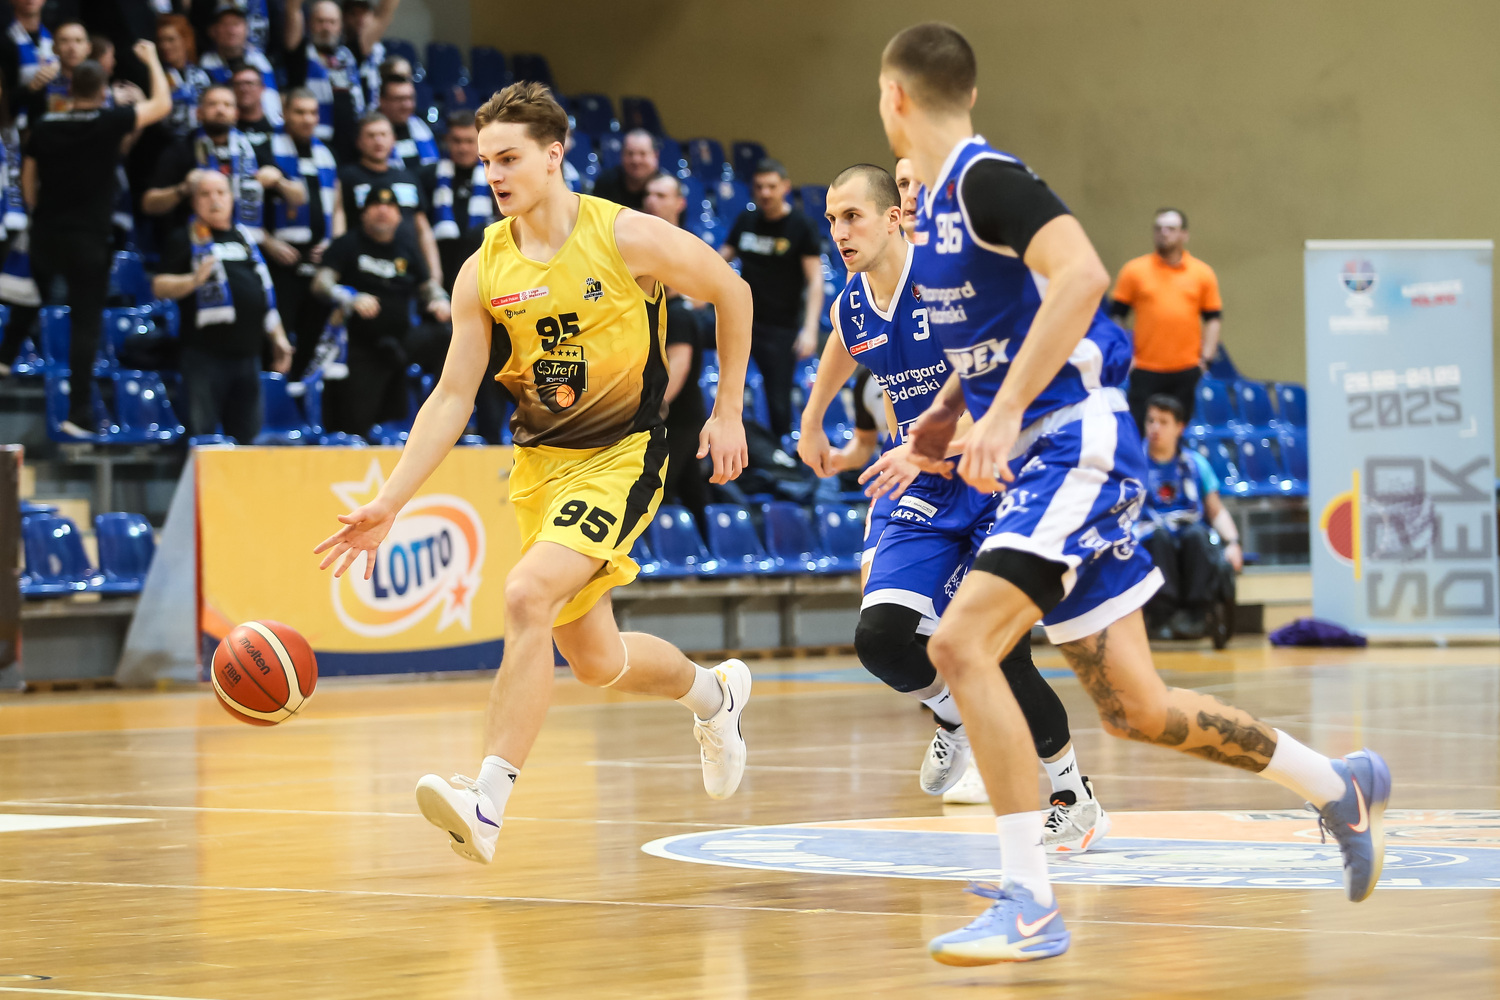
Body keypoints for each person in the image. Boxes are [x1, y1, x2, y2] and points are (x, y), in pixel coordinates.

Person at [875, 23, 1390, 966]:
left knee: (958, 644)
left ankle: (1031, 902)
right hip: (1046, 454)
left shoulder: (985, 180)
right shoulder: (937, 216)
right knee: (1136, 710)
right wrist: (945, 419)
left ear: (894, 98)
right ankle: (1337, 784)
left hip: (1073, 444)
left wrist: (1004, 413)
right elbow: (992, 345)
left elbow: (1081, 276)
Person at [313, 82, 752, 866]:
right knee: (596, 661)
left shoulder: (625, 236)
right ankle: (714, 696)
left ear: (554, 156)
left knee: (525, 595)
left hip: (622, 455)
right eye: (486, 161)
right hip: (540, 468)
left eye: (509, 158)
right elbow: (453, 395)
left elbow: (732, 289)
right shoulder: (484, 266)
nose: (494, 174)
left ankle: (485, 802)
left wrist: (727, 411)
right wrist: (390, 500)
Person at [800, 161, 1108, 850]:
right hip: (918, 484)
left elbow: (994, 394)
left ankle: (1073, 794)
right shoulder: (853, 301)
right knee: (881, 639)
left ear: (892, 218)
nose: (839, 232)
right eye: (831, 220)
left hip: (989, 477)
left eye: (852, 217)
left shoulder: (947, 288)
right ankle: (951, 716)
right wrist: (814, 416)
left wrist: (929, 448)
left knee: (999, 654)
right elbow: (844, 341)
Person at [21, 45, 171, 436]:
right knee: (85, 326)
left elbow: (28, 182)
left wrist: (38, 213)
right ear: (104, 90)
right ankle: (78, 415)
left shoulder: (46, 124)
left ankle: (7, 358)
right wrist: (152, 61)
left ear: (70, 88)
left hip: (46, 233)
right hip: (89, 240)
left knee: (24, 302)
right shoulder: (110, 120)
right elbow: (162, 105)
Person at [152, 170, 292, 441]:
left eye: (220, 193)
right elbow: (159, 286)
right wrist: (193, 280)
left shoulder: (244, 238)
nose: (214, 200)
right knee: (202, 438)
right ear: (194, 202)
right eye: (205, 194)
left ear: (231, 198)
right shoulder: (185, 238)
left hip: (248, 356)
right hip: (204, 356)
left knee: (246, 442)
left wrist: (279, 338)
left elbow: (263, 293)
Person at [310, 180, 449, 434]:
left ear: (399, 215)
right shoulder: (347, 243)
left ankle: (445, 411)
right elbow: (321, 284)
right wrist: (349, 297)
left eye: (390, 206)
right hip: (359, 344)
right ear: (364, 213)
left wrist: (440, 300)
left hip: (402, 340)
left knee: (447, 334)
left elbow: (427, 285)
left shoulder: (407, 247)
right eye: (375, 205)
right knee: (357, 423)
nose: (383, 210)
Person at [720, 157, 824, 437]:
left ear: (785, 187)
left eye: (771, 186)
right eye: (759, 187)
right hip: (742, 322)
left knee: (778, 402)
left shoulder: (801, 225)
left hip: (780, 328)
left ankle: (781, 454)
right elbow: (720, 260)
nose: (765, 193)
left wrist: (810, 330)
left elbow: (816, 280)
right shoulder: (746, 220)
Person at [1137, 393, 1242, 640]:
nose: (1155, 428)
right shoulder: (1133, 463)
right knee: (1159, 537)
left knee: (1198, 536)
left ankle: (1196, 614)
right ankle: (1162, 614)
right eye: (1151, 421)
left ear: (1179, 427)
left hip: (1187, 532)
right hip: (1149, 534)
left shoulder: (1196, 464)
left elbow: (1215, 509)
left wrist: (1233, 543)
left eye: (1163, 422)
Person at [1110, 208, 1224, 431]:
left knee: (1177, 433)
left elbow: (1213, 318)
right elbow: (1117, 316)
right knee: (1138, 430)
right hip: (1144, 369)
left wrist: (1206, 359)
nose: (1164, 233)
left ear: (1184, 234)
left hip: (1186, 369)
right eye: (1159, 228)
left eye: (1171, 228)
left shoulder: (1202, 273)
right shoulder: (1134, 271)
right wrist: (1125, 354)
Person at [142, 82, 301, 241]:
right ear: (199, 113)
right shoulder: (181, 149)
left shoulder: (251, 149)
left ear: (236, 114)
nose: (220, 110)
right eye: (212, 104)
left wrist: (279, 182)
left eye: (227, 105)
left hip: (244, 241)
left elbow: (299, 196)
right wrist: (182, 189)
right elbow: (148, 204)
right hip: (194, 241)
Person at [641, 171, 709, 532]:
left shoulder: (678, 315)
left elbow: (679, 366)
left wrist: (656, 407)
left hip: (679, 416)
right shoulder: (663, 310)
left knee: (661, 487)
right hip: (681, 415)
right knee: (692, 488)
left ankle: (667, 550)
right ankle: (706, 545)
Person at [263, 87, 342, 378]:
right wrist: (269, 243)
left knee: (314, 339)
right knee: (275, 342)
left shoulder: (326, 153)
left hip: (318, 261)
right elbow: (246, 210)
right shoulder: (265, 150)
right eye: (300, 112)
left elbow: (337, 206)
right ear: (284, 113)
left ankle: (301, 391)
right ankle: (275, 393)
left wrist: (333, 243)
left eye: (312, 113)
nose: (308, 119)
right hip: (279, 262)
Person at [338, 111, 441, 285]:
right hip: (363, 269)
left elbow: (423, 230)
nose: (378, 141)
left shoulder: (408, 177)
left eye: (383, 134)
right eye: (371, 135)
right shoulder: (348, 177)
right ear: (359, 141)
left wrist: (435, 275)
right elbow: (339, 219)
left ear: (393, 139)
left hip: (408, 268)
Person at [282, 0, 365, 160]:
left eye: (332, 22)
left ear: (340, 26)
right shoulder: (300, 52)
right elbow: (293, 10)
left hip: (350, 145)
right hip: (311, 142)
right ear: (309, 24)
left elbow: (381, 18)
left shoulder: (350, 54)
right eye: (320, 21)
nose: (326, 27)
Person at [199, 1, 281, 128]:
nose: (231, 30)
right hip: (220, 128)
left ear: (247, 29)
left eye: (236, 24)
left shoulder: (260, 61)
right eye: (225, 25)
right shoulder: (205, 63)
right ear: (213, 31)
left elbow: (271, 103)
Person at [154, 14, 212, 138]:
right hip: (167, 141)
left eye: (170, 39)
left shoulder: (202, 75)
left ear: (186, 40)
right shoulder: (156, 76)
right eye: (161, 40)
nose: (164, 46)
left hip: (202, 138)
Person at [342, 0, 402, 103]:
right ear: (344, 18)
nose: (360, 18)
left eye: (364, 13)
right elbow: (385, 13)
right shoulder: (346, 47)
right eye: (353, 14)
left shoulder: (375, 48)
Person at [377, 75, 438, 170]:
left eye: (410, 98)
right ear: (382, 101)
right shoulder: (372, 132)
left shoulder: (421, 127)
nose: (406, 105)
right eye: (398, 99)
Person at [590, 128, 657, 211]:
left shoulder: (665, 186)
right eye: (630, 153)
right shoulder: (605, 182)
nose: (636, 160)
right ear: (622, 155)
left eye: (642, 154)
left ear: (655, 156)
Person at [230, 64, 273, 147]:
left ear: (262, 88)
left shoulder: (277, 127)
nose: (243, 89)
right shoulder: (224, 129)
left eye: (249, 83)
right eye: (238, 84)